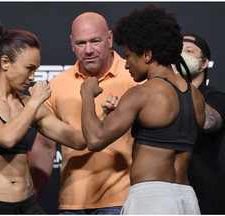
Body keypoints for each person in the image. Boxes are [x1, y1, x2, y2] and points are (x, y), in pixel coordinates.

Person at [80, 5, 205, 214]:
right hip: (186, 199)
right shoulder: (195, 95)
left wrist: (86, 95)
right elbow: (206, 122)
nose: (127, 65)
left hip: (152, 199)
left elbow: (94, 139)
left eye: (129, 56)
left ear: (146, 55)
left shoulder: (142, 94)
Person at [0, 21, 86, 214]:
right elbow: (6, 137)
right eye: (29, 68)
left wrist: (99, 109)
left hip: (27, 206)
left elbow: (77, 141)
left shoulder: (26, 102)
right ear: (6, 63)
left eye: (36, 70)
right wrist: (36, 101)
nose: (33, 77)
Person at [29, 12, 139, 214]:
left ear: (110, 38)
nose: (88, 50)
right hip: (72, 203)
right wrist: (31, 199)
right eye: (81, 43)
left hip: (122, 201)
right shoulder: (58, 84)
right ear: (72, 43)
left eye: (95, 41)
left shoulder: (134, 76)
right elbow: (45, 147)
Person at [178, 33, 225, 214]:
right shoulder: (165, 97)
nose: (181, 56)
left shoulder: (215, 97)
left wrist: (182, 84)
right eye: (178, 51)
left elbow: (207, 122)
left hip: (203, 197)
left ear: (204, 63)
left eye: (189, 51)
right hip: (168, 194)